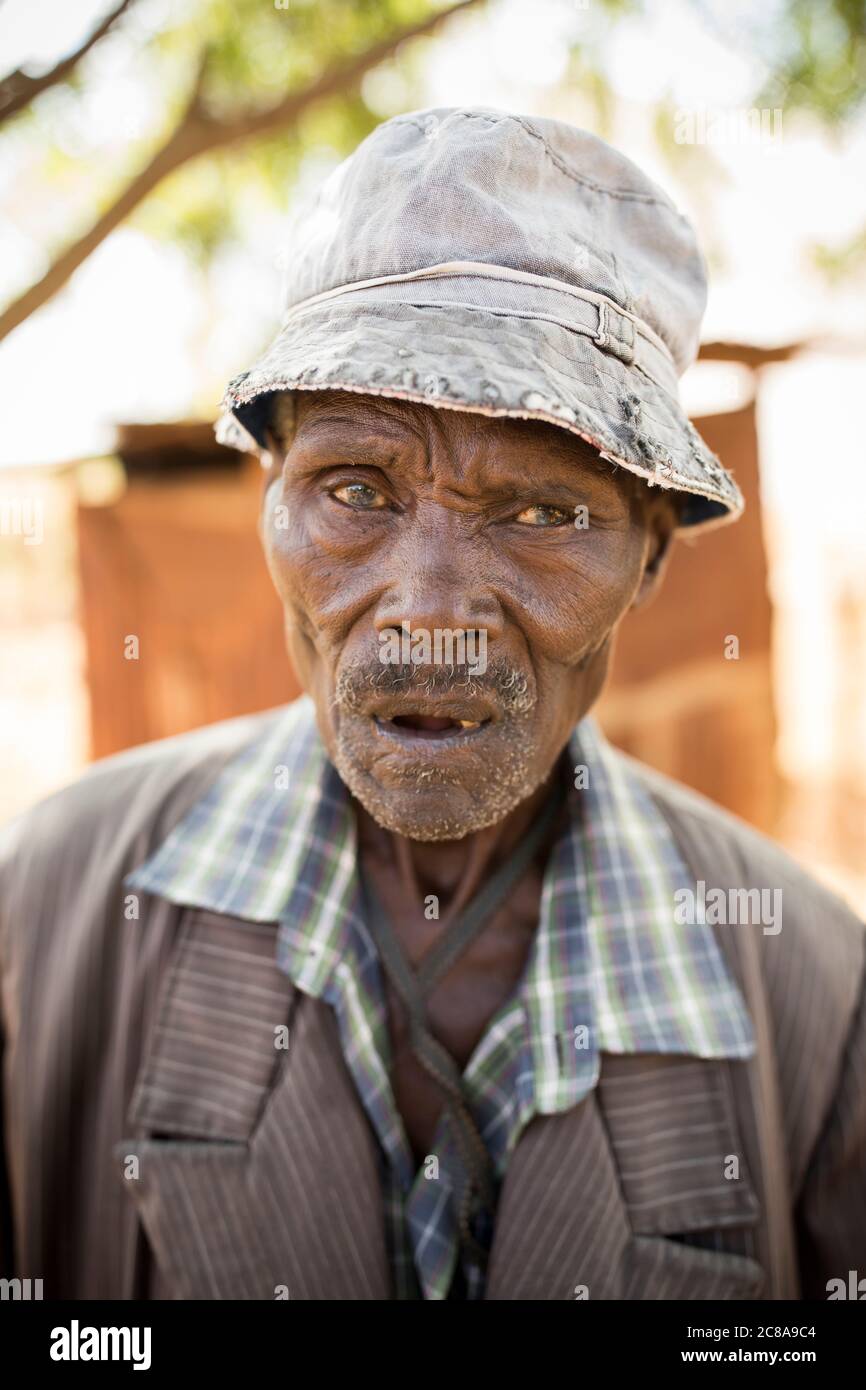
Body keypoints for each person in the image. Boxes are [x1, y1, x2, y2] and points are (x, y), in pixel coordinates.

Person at [1, 107, 864, 1301]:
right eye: (354, 488)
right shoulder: (42, 910)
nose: (428, 612)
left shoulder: (818, 995)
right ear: (269, 499)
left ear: (653, 557)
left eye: (542, 514)